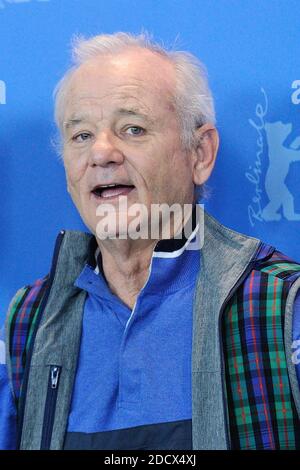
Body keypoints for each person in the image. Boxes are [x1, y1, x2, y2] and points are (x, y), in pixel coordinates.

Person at [1, 32, 300, 451]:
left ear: (199, 154)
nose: (101, 153)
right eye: (81, 135)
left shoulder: (281, 305)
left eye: (133, 128)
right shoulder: (30, 318)